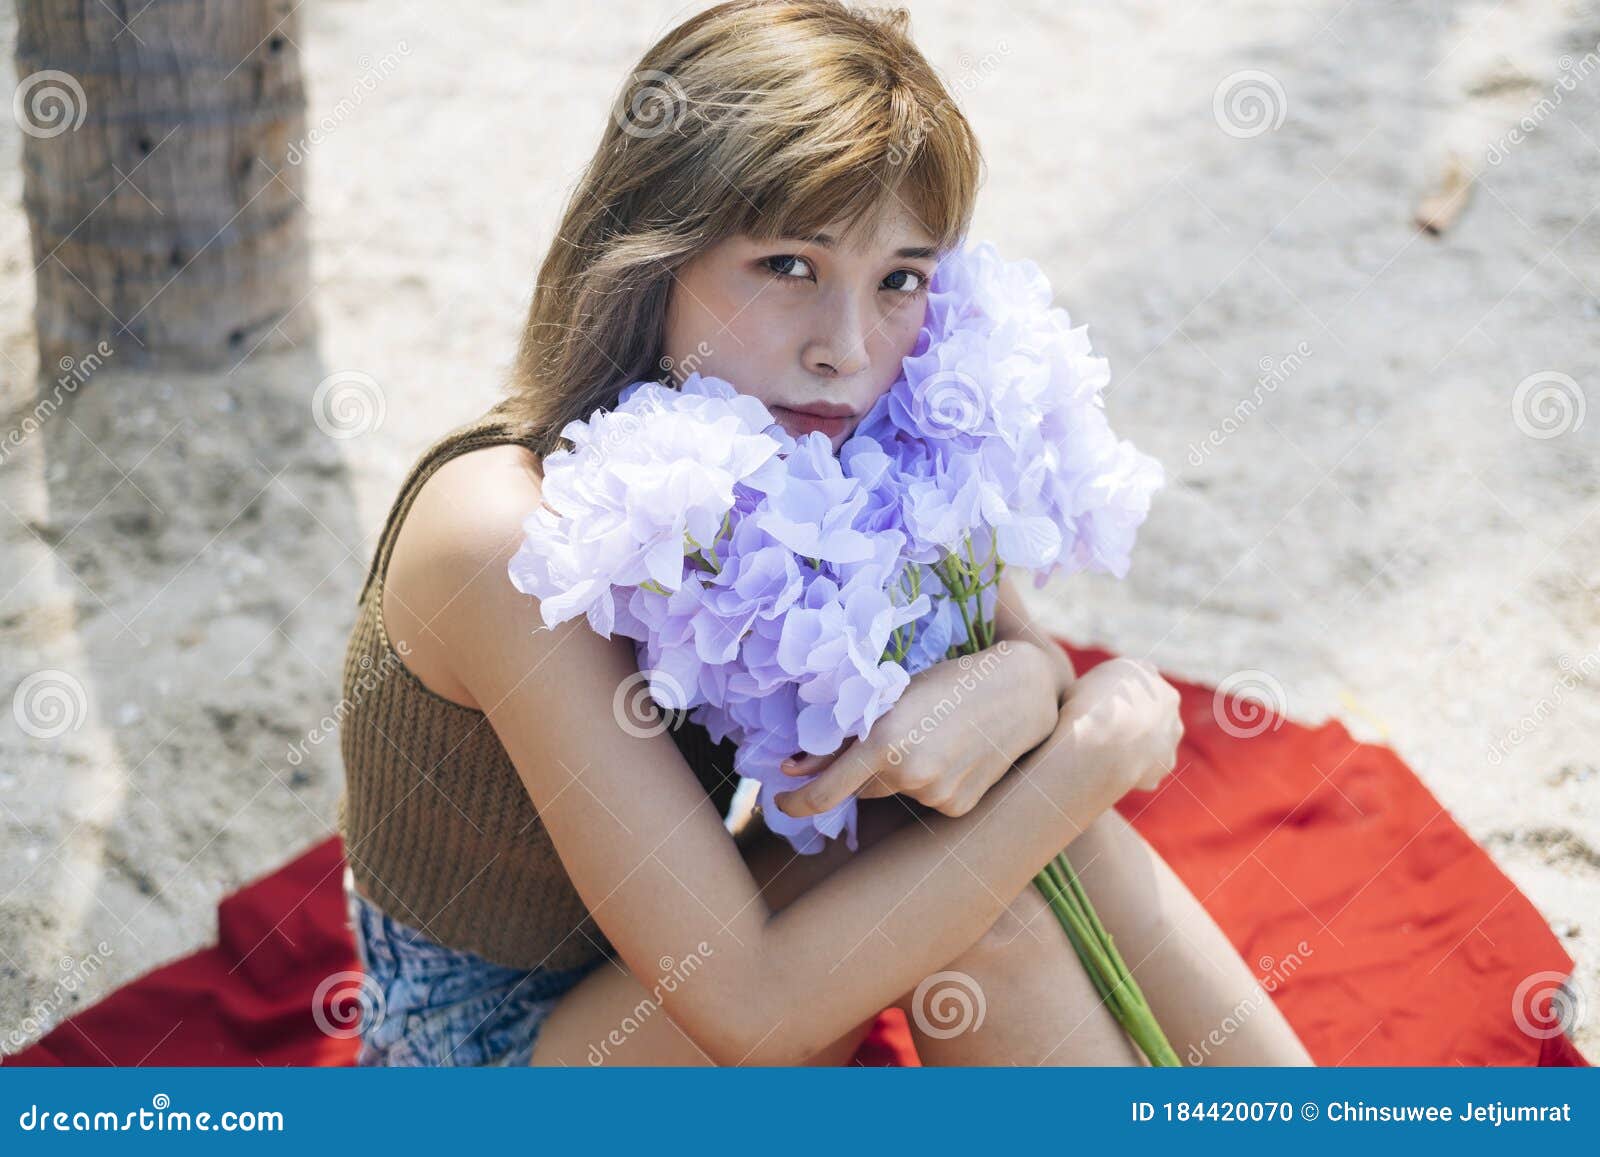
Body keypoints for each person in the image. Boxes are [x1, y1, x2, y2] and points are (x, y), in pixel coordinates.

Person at [335, 0, 1314, 1067]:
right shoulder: (500, 531)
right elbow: (752, 1011)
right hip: (491, 1056)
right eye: (789, 266)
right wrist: (1091, 754)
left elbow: (1010, 658)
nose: (845, 348)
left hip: (678, 955)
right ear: (650, 256)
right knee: (993, 891)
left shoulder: (813, 416)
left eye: (898, 277)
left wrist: (1029, 689)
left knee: (990, 827)